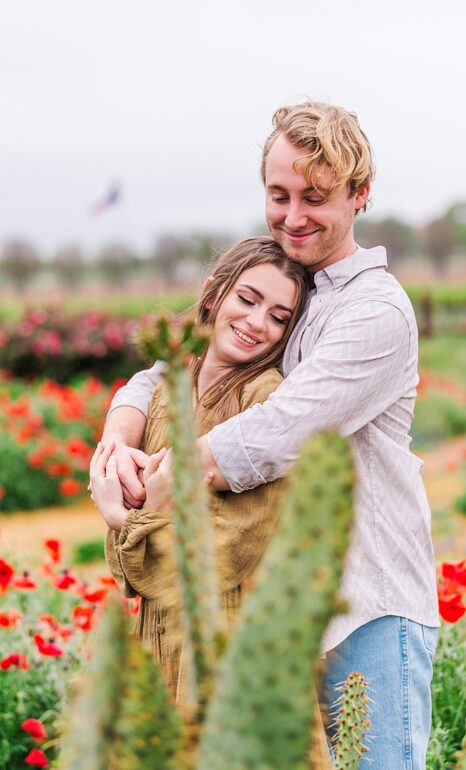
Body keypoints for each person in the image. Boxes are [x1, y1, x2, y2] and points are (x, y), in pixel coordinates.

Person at [99, 102, 438, 769]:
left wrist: (156, 487)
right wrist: (115, 440)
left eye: (315, 196)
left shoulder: (375, 310)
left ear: (359, 195)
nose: (293, 216)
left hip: (370, 609)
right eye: (279, 196)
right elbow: (177, 364)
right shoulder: (295, 289)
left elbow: (282, 430)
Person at [91, 236, 332, 765]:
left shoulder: (264, 400)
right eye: (247, 299)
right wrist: (130, 499)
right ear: (213, 294)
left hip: (227, 638)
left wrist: (137, 521)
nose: (256, 322)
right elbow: (130, 561)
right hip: (159, 632)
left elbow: (229, 547)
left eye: (278, 316)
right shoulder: (165, 391)